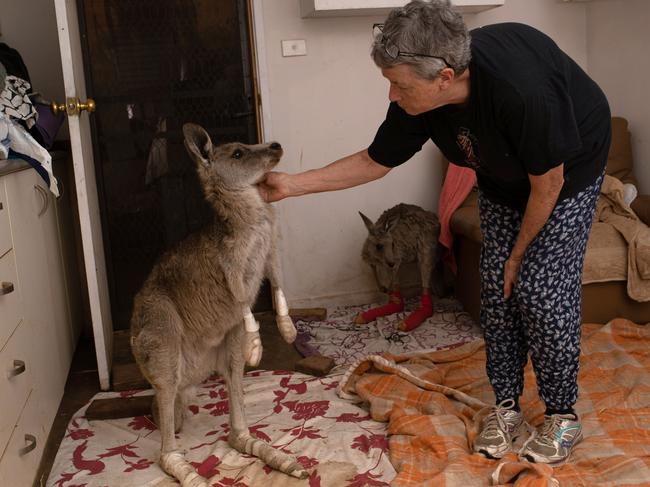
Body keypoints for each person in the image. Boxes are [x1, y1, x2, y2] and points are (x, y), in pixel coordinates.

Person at [258, 0, 610, 465]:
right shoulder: (419, 99)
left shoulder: (520, 90)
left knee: (540, 291)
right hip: (503, 178)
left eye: (398, 85)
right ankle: (506, 407)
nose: (392, 96)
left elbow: (548, 183)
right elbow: (374, 161)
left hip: (566, 173)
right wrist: (290, 185)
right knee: (497, 291)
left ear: (444, 76)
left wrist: (518, 254)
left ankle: (562, 415)